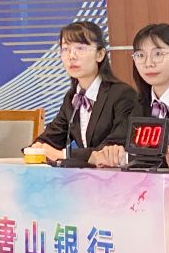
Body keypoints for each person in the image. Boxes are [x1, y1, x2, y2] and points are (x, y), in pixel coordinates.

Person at [87, 23, 169, 169]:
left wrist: (127, 157)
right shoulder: (140, 103)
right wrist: (109, 153)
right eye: (140, 55)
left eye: (158, 54)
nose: (148, 63)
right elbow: (117, 141)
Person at [31, 21, 137, 164]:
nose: (71, 56)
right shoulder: (72, 97)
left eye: (80, 48)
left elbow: (111, 149)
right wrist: (39, 147)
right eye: (65, 49)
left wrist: (63, 154)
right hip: (85, 174)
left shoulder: (122, 94)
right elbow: (49, 138)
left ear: (100, 54)